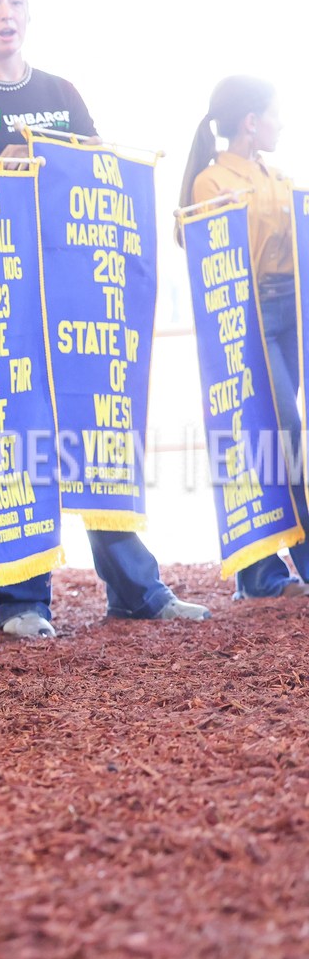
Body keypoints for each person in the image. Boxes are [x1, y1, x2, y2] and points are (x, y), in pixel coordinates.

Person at [0, 0, 210, 635]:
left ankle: (136, 589)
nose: (5, 12)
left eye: (15, 1)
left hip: (78, 290)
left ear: (30, 14)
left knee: (100, 431)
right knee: (17, 438)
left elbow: (93, 166)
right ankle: (22, 600)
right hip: (4, 294)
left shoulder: (62, 90)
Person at [184, 76, 309, 598]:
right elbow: (208, 249)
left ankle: (262, 570)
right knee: (281, 427)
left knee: (274, 432)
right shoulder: (212, 183)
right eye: (275, 114)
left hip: (291, 310)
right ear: (251, 122)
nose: (282, 123)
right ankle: (291, 561)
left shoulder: (277, 176)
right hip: (248, 311)